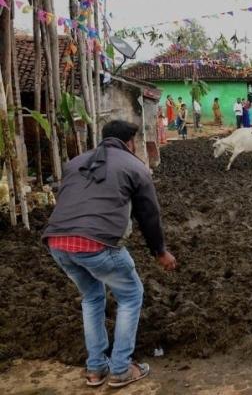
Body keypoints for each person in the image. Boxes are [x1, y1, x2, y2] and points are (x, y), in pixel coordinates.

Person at [43, 120, 177, 388]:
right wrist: (160, 251)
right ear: (130, 142)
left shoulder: (75, 162)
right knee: (130, 295)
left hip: (57, 243)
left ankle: (95, 369)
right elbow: (149, 214)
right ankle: (120, 369)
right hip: (96, 244)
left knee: (92, 297)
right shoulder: (135, 166)